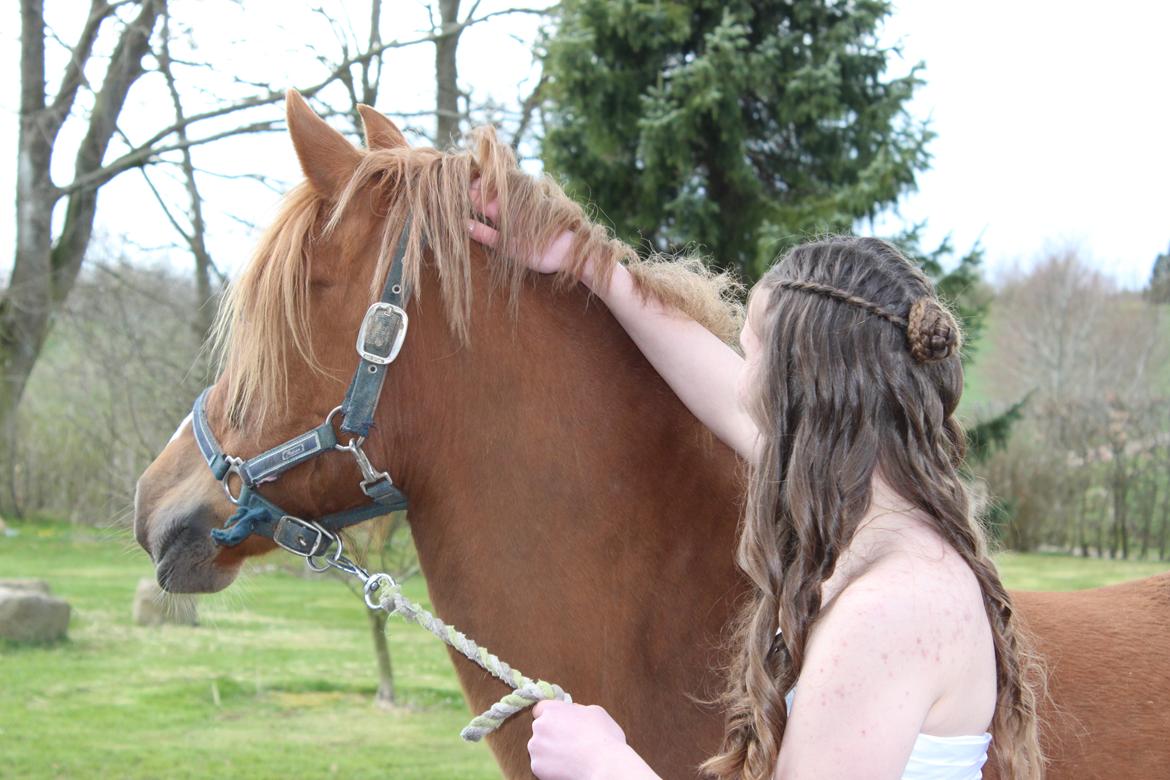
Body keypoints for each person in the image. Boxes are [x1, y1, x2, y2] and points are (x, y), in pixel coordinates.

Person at [467, 190, 1044, 779]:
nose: (742, 383)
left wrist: (604, 765)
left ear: (801, 396)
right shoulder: (894, 534)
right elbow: (720, 391)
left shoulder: (885, 614)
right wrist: (587, 262)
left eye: (751, 355)